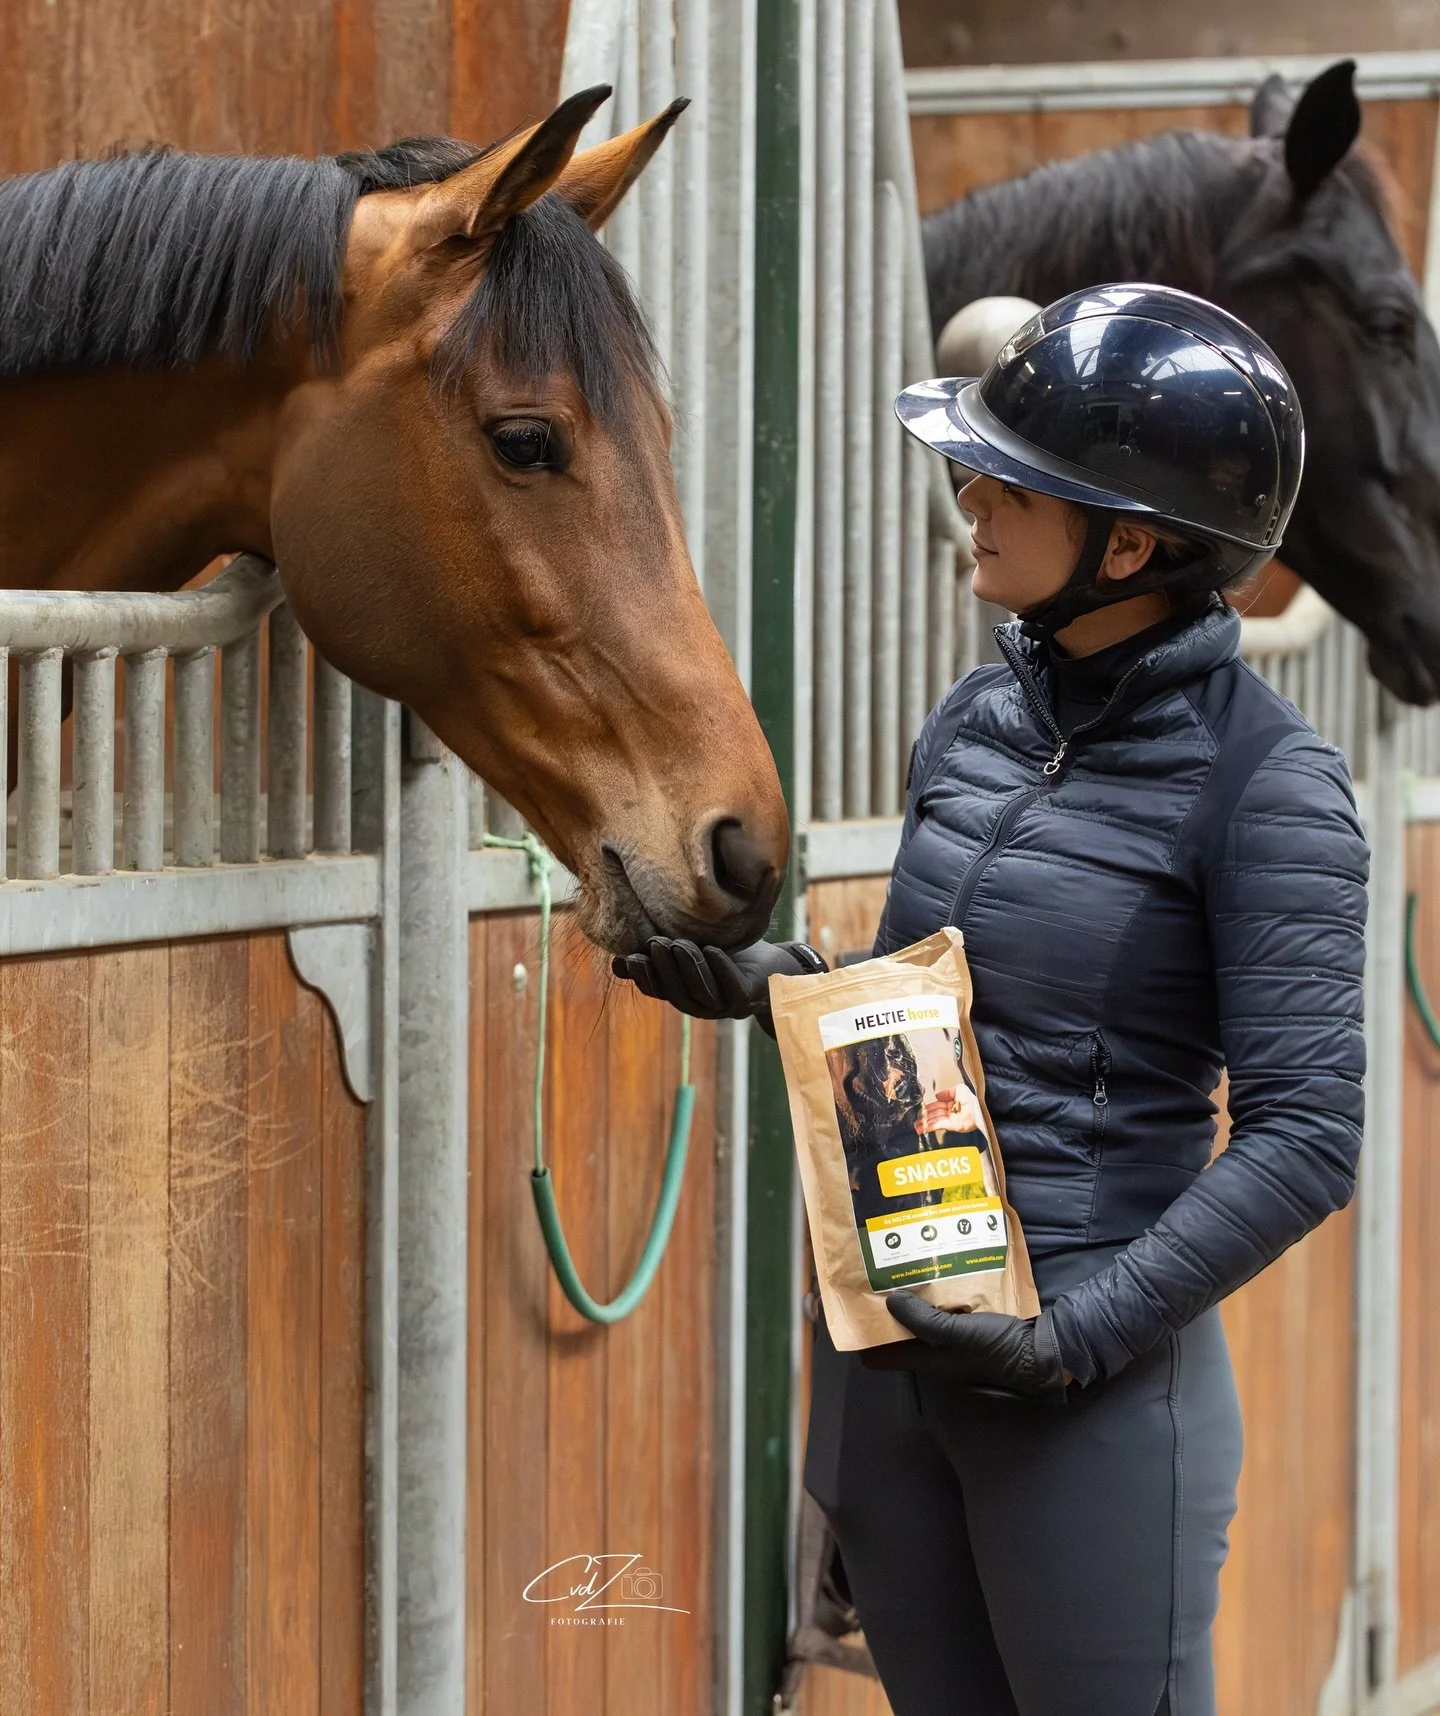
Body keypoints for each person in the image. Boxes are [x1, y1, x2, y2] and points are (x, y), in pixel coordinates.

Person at [613, 283, 1368, 1716]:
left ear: (1128, 546)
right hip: (896, 1347)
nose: (971, 499)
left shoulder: (1270, 785)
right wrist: (783, 988)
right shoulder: (975, 721)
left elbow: (1306, 1136)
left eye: (1011, 484)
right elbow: (949, 1020)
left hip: (1085, 1390)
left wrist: (1070, 1341)